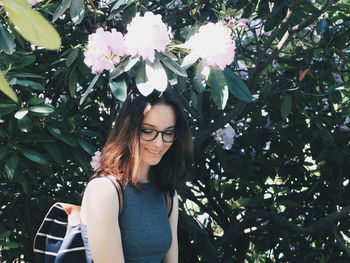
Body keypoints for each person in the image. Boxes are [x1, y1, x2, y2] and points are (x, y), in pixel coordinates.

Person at [80, 87, 193, 263]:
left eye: (168, 132)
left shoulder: (168, 195)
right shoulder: (104, 190)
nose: (159, 143)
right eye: (148, 131)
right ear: (129, 129)